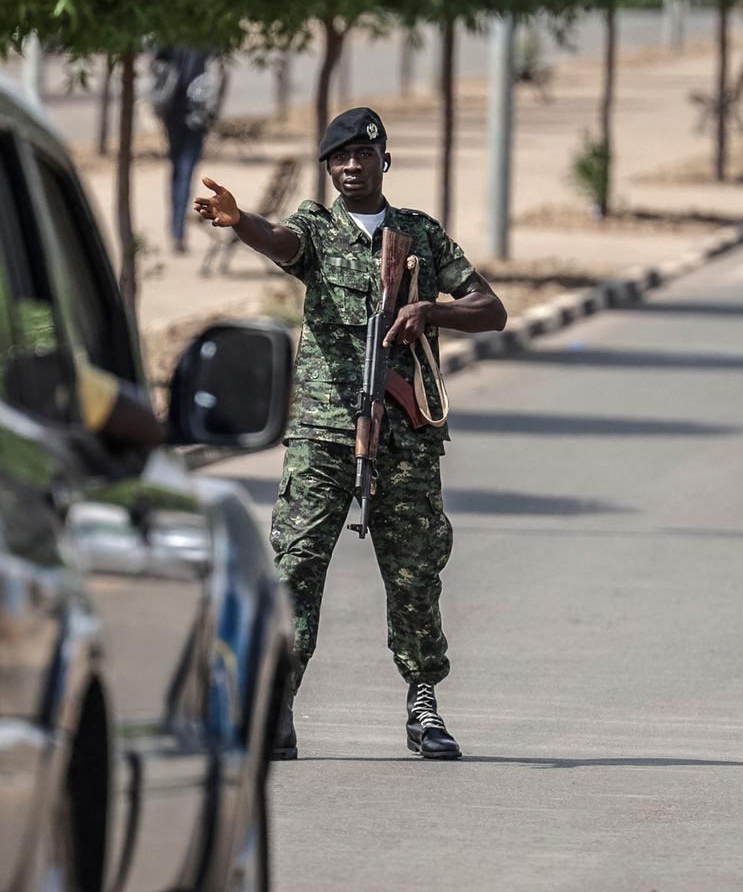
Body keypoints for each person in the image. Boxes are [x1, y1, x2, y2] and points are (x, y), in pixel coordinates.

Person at [194, 107, 506, 761]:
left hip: (407, 434)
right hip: (322, 432)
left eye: (363, 155)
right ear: (329, 167)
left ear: (383, 159)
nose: (352, 167)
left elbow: (492, 309)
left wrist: (432, 309)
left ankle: (423, 703)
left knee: (415, 573)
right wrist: (240, 221)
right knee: (296, 568)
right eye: (340, 158)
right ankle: (276, 708)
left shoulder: (420, 234)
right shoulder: (316, 228)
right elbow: (283, 242)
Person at [150, 47, 225, 254]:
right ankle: (177, 230)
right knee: (184, 171)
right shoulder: (203, 36)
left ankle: (176, 229)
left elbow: (155, 60)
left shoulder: (171, 33)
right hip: (194, 115)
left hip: (172, 112)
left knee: (177, 171)